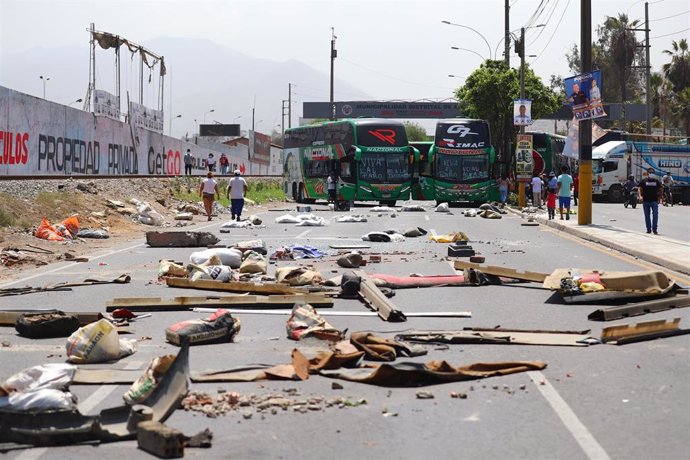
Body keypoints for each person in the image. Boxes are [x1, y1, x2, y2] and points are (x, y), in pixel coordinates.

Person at [638, 167, 662, 234]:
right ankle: (648, 229)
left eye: (652, 172)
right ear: (647, 173)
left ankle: (654, 229)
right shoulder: (644, 181)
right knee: (647, 215)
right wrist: (640, 196)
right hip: (646, 201)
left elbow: (661, 189)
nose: (651, 173)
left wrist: (660, 198)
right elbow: (639, 188)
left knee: (655, 215)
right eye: (650, 172)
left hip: (654, 201)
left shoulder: (656, 181)